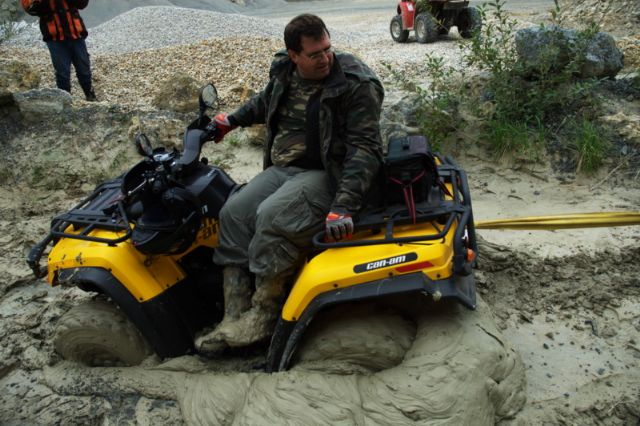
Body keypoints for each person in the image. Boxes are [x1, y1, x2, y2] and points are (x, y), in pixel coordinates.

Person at [195, 13, 384, 353]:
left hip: (330, 174)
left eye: (327, 49)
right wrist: (230, 121)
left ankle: (265, 315)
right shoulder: (284, 70)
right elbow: (266, 101)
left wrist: (343, 206)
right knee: (233, 213)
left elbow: (365, 148)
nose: (325, 58)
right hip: (285, 168)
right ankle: (234, 312)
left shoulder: (356, 83)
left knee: (272, 216)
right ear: (294, 55)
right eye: (315, 54)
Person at [21, 0, 97, 101]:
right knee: (62, 72)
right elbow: (30, 8)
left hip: (75, 34)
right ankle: (65, 100)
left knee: (83, 68)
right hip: (54, 38)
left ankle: (90, 95)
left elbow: (82, 4)